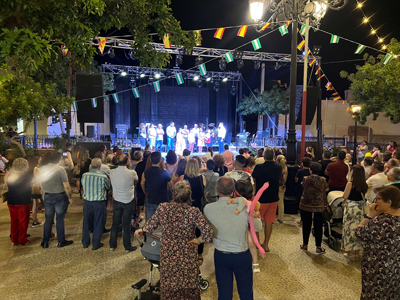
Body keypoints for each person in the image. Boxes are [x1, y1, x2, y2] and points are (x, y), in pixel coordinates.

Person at [135, 181, 213, 299]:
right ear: (189, 195)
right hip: (187, 255)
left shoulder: (163, 208)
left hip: (169, 254)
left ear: (173, 194)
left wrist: (140, 230)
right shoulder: (193, 212)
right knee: (188, 285)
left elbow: (150, 226)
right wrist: (198, 240)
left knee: (169, 285)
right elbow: (208, 233)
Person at [204, 177, 262, 300]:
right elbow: (258, 226)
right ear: (233, 190)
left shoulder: (208, 209)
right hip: (242, 255)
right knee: (246, 291)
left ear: (216, 189)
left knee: (224, 292)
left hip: (221, 255)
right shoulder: (244, 208)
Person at [355, 185, 400, 300]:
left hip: (377, 268)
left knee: (373, 294)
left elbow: (359, 233)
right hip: (396, 268)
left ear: (388, 202)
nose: (375, 201)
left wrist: (370, 215)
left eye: (378, 199)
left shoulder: (381, 222)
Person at [39, 152, 73, 249]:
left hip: (47, 196)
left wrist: (44, 194)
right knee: (60, 218)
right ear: (59, 160)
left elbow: (41, 183)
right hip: (59, 196)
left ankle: (45, 241)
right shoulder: (60, 169)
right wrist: (70, 197)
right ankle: (61, 241)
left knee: (48, 219)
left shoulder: (42, 169)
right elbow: (66, 186)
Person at [252, 147, 282, 252]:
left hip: (260, 198)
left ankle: (257, 243)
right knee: (269, 221)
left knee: (256, 220)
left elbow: (254, 179)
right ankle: (266, 245)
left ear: (264, 156)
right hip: (273, 197)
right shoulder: (278, 166)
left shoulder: (259, 167)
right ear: (274, 156)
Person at [109, 154, 138, 253]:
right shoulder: (132, 173)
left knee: (115, 223)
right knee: (126, 224)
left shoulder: (112, 172)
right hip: (128, 200)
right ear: (127, 162)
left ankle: (112, 245)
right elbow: (136, 181)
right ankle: (127, 247)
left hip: (116, 199)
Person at [81, 158, 110, 250]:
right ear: (100, 166)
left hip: (87, 202)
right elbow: (107, 187)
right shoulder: (103, 177)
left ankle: (85, 242)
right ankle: (96, 243)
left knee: (86, 222)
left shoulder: (84, 175)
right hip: (98, 202)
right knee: (98, 222)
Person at [299, 162, 329, 254]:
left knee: (306, 224)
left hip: (306, 204)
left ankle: (305, 244)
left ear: (310, 170)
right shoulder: (323, 180)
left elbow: (303, 186)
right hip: (319, 205)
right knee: (318, 225)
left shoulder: (306, 179)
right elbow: (326, 189)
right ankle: (318, 246)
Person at [341, 165, 368, 260]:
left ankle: (351, 253)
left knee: (350, 230)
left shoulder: (350, 183)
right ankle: (357, 253)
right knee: (357, 229)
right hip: (360, 208)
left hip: (351, 208)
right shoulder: (365, 184)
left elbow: (345, 196)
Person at [183, 159, 207, 264]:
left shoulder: (184, 178)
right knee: (199, 229)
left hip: (187, 206)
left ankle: (187, 250)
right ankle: (199, 254)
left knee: (187, 229)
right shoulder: (202, 178)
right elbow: (203, 189)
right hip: (198, 206)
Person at [6, 158, 33, 246]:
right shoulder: (26, 176)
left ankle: (14, 238)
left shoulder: (10, 175)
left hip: (11, 200)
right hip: (23, 201)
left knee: (14, 220)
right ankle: (22, 239)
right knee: (23, 221)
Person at [142, 152, 171, 220]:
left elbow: (142, 183)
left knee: (150, 221)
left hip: (151, 198)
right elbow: (171, 184)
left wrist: (145, 192)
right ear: (160, 160)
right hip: (162, 199)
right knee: (162, 221)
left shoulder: (146, 171)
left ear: (151, 160)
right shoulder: (164, 172)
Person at [135, 151, 151, 217]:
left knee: (139, 201)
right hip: (148, 186)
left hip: (139, 185)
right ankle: (146, 216)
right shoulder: (149, 165)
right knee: (147, 203)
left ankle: (138, 215)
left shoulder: (139, 164)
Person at [31, 155, 43, 227]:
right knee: (46, 204)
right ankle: (50, 220)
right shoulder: (41, 169)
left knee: (35, 203)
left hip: (34, 186)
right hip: (40, 186)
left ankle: (34, 220)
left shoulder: (35, 168)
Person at [276, 155, 287, 223]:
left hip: (276, 186)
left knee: (274, 203)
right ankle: (281, 218)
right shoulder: (285, 168)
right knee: (281, 203)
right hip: (282, 187)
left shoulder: (276, 167)